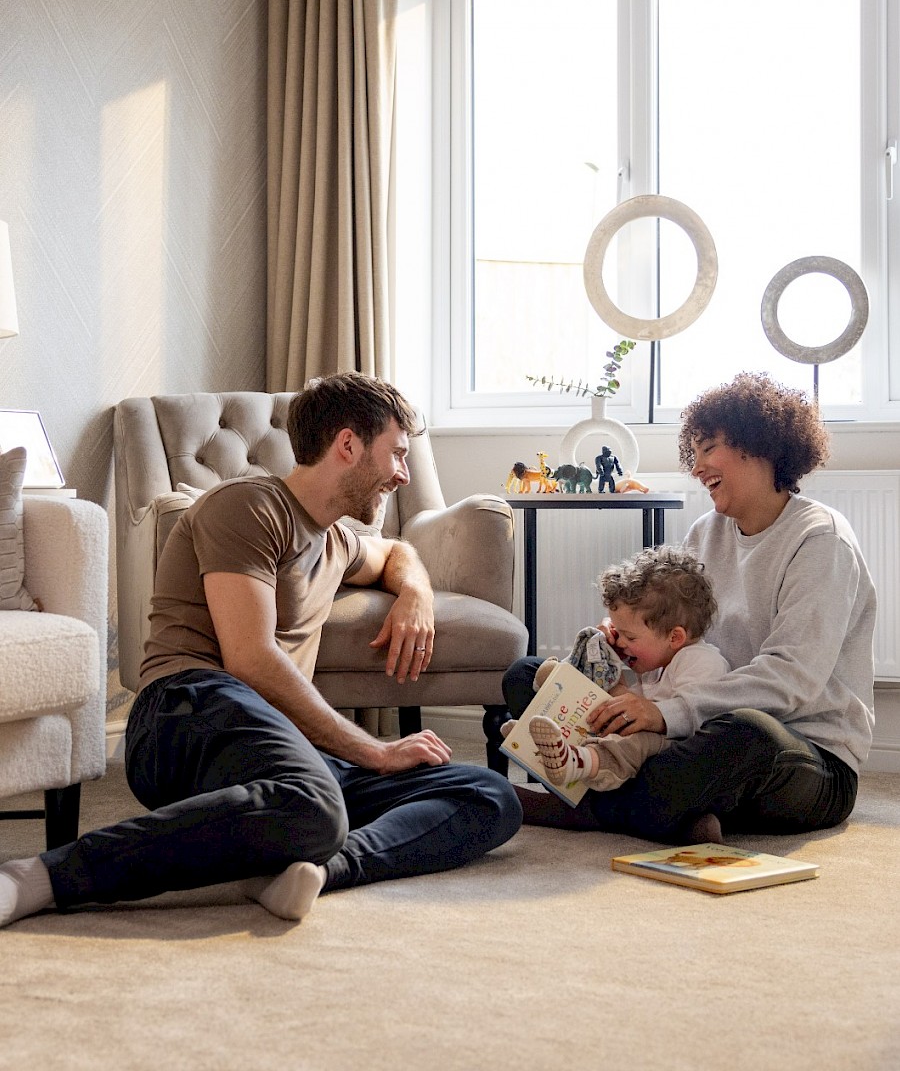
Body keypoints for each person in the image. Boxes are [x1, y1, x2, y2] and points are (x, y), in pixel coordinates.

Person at [0, 372, 522, 927]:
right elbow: (249, 659)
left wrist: (416, 592)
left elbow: (395, 553)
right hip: (188, 711)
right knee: (314, 804)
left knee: (489, 795)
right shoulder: (250, 505)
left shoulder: (337, 539)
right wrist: (375, 751)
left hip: (283, 746)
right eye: (396, 454)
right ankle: (38, 877)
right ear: (348, 445)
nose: (403, 473)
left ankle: (316, 871)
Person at [503, 371, 875, 843]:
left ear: (760, 445)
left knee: (747, 734)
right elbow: (673, 628)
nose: (697, 467)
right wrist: (629, 641)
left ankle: (587, 806)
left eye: (709, 448)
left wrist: (668, 713)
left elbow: (792, 679)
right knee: (527, 674)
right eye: (693, 453)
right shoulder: (706, 531)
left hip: (804, 754)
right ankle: (671, 808)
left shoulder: (820, 540)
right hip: (689, 726)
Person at [525, 546, 730, 792]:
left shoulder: (701, 662)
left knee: (637, 740)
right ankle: (536, 742)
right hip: (644, 741)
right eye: (618, 632)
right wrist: (606, 661)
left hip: (678, 750)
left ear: (675, 637)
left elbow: (690, 722)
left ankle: (578, 762)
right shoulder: (656, 664)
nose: (621, 642)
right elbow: (631, 707)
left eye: (630, 637)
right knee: (529, 675)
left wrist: (620, 696)